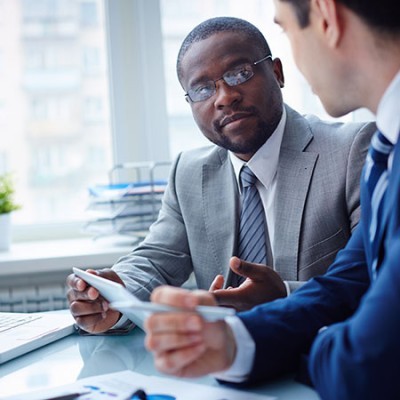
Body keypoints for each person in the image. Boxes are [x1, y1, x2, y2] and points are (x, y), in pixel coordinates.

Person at [144, 2, 400, 399]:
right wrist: (233, 342)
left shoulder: (361, 148)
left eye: (286, 31)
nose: (225, 97)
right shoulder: (389, 145)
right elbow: (347, 282)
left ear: (326, 17)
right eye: (203, 88)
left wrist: (280, 348)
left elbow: (364, 365)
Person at [68, 16, 374, 335]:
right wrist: (111, 294)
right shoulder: (188, 172)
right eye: (202, 89)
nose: (225, 97)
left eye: (239, 73)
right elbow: (156, 258)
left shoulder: (352, 151)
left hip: (324, 358)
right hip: (222, 364)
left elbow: (374, 281)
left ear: (277, 73)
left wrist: (285, 297)